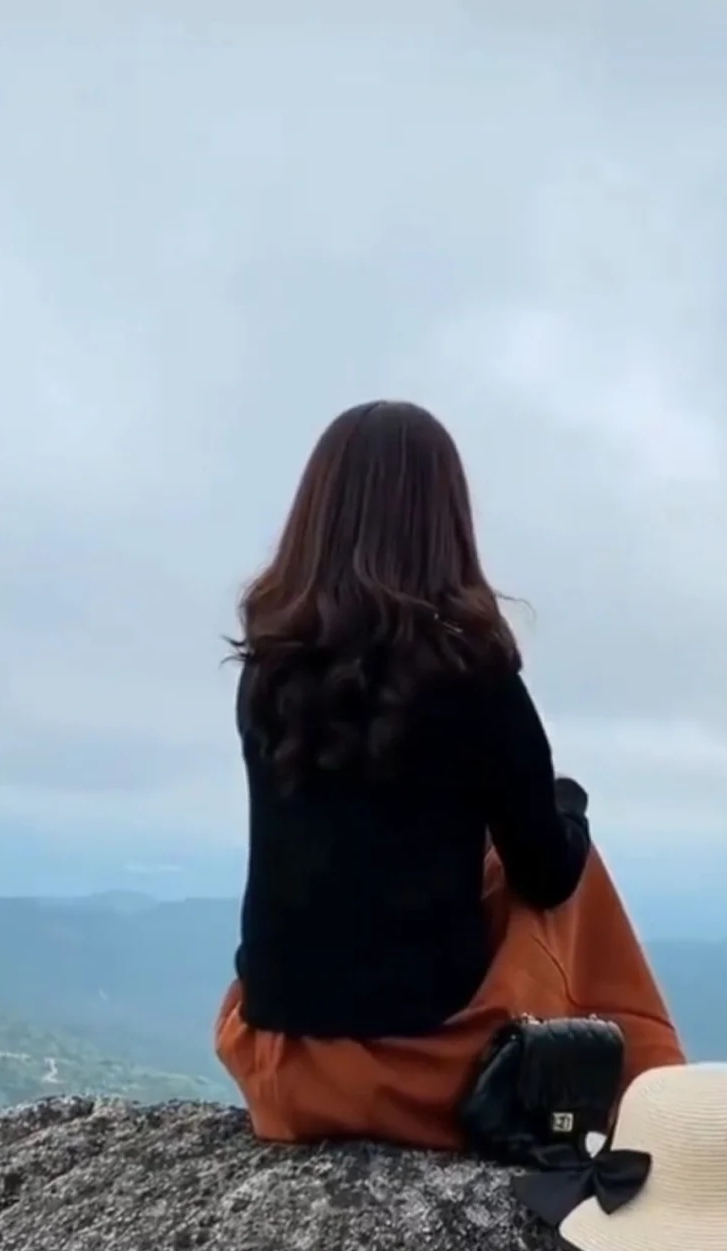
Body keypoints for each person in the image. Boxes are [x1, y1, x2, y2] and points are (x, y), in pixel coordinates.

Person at [215, 399, 684, 1148]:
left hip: (280, 1067)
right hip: (423, 1074)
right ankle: (662, 1095)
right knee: (572, 863)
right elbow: (547, 870)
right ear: (445, 523)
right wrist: (570, 803)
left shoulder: (268, 670)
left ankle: (661, 1090)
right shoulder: (473, 672)